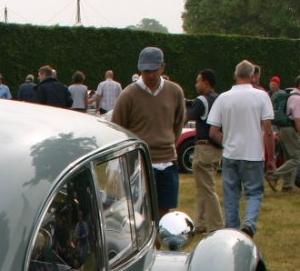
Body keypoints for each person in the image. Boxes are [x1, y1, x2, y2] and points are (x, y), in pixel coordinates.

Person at [110, 47, 186, 214]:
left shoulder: (175, 91)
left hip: (167, 159)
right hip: (139, 161)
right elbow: (118, 127)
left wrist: (169, 143)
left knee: (164, 209)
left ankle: (159, 239)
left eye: (153, 70)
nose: (149, 75)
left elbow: (178, 122)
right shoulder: (128, 94)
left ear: (162, 68)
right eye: (145, 70)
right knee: (139, 211)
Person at [207, 60, 275, 237]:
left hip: (231, 154)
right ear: (253, 76)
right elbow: (268, 130)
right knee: (254, 193)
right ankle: (249, 224)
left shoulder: (223, 97)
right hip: (253, 154)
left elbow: (213, 131)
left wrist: (227, 142)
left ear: (235, 75)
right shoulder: (261, 97)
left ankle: (231, 231)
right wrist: (272, 158)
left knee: (231, 195)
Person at [186, 69, 222, 234]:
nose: (196, 84)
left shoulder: (201, 100)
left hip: (203, 147)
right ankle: (200, 223)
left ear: (205, 82)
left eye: (198, 80)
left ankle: (216, 226)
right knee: (203, 187)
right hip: (216, 149)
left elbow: (186, 117)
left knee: (207, 188)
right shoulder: (218, 99)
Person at [267, 74, 299, 193]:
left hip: (283, 129)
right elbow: (297, 119)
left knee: (289, 158)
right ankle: (273, 176)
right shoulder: (297, 98)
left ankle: (287, 186)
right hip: (290, 129)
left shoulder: (290, 95)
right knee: (296, 158)